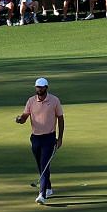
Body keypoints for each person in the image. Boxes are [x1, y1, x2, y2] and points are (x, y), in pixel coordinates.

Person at [16, 76, 65, 204]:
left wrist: (60, 138)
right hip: (35, 139)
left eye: (41, 87)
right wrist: (20, 119)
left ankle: (42, 195)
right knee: (41, 166)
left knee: (44, 165)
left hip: (49, 138)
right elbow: (25, 116)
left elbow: (60, 118)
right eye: (37, 87)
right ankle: (48, 188)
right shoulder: (31, 101)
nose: (38, 89)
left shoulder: (54, 100)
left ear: (46, 88)